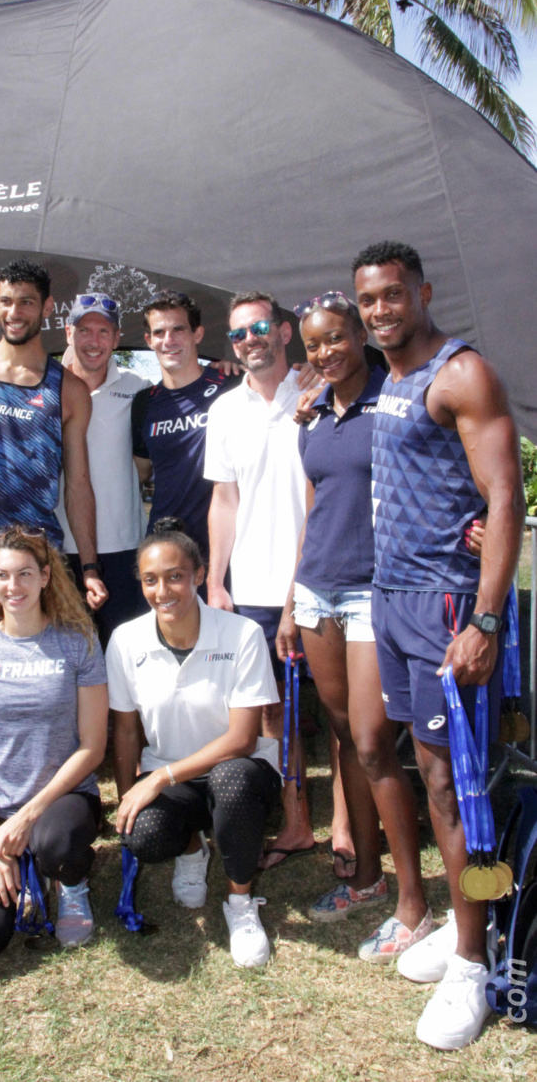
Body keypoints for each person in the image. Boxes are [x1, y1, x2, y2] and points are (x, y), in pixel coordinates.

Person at [353, 242, 524, 1050]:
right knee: (425, 774)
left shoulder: (462, 373)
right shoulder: (388, 376)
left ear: (421, 292)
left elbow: (505, 493)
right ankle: (462, 929)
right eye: (369, 300)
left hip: (446, 606)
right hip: (392, 599)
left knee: (455, 784)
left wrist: (484, 621)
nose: (381, 309)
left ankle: (472, 961)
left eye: (393, 294)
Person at [275, 292, 431, 960]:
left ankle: (413, 904)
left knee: (372, 743)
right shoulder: (312, 418)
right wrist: (290, 598)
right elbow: (316, 511)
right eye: (314, 344)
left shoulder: (392, 402)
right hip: (317, 592)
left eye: (336, 337)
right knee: (342, 737)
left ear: (359, 333)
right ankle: (366, 877)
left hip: (374, 593)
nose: (325, 351)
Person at [107, 518, 282, 969]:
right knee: (143, 835)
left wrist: (159, 778)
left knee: (231, 780)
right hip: (174, 777)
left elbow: (244, 739)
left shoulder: (240, 634)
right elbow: (126, 731)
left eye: (175, 576)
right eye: (150, 580)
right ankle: (192, 848)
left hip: (240, 772)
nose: (163, 591)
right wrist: (129, 793)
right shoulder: (126, 641)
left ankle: (240, 901)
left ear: (200, 575)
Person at [0, 525, 108, 974]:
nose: (12, 586)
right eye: (2, 575)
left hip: (62, 801)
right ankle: (23, 862)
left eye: (24, 574)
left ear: (45, 577)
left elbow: (93, 748)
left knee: (56, 840)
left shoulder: (79, 644)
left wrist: (29, 816)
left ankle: (70, 882)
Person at [204, 292, 319, 870]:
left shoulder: (318, 389)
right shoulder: (224, 409)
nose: (249, 339)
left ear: (285, 332)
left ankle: (344, 829)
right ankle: (296, 822)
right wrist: (217, 582)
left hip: (322, 580)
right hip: (250, 590)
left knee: (344, 718)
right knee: (273, 713)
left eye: (259, 327)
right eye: (238, 333)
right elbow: (224, 499)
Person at [0, 256, 107, 610]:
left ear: (46, 307)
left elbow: (77, 486)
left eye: (26, 302)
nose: (15, 312)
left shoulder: (69, 390)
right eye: (6, 301)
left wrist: (89, 567)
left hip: (36, 558)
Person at [57, 293, 149, 646]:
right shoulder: (48, 386)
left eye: (103, 331)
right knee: (68, 657)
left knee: (123, 656)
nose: (93, 341)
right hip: (61, 547)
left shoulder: (138, 387)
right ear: (68, 333)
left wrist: (225, 371)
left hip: (124, 547)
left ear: (116, 337)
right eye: (84, 330)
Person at [131, 290, 240, 576]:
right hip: (167, 548)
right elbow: (142, 471)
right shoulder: (144, 403)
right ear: (149, 340)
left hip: (228, 549)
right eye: (159, 332)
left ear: (198, 334)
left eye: (179, 329)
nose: (169, 341)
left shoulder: (232, 383)